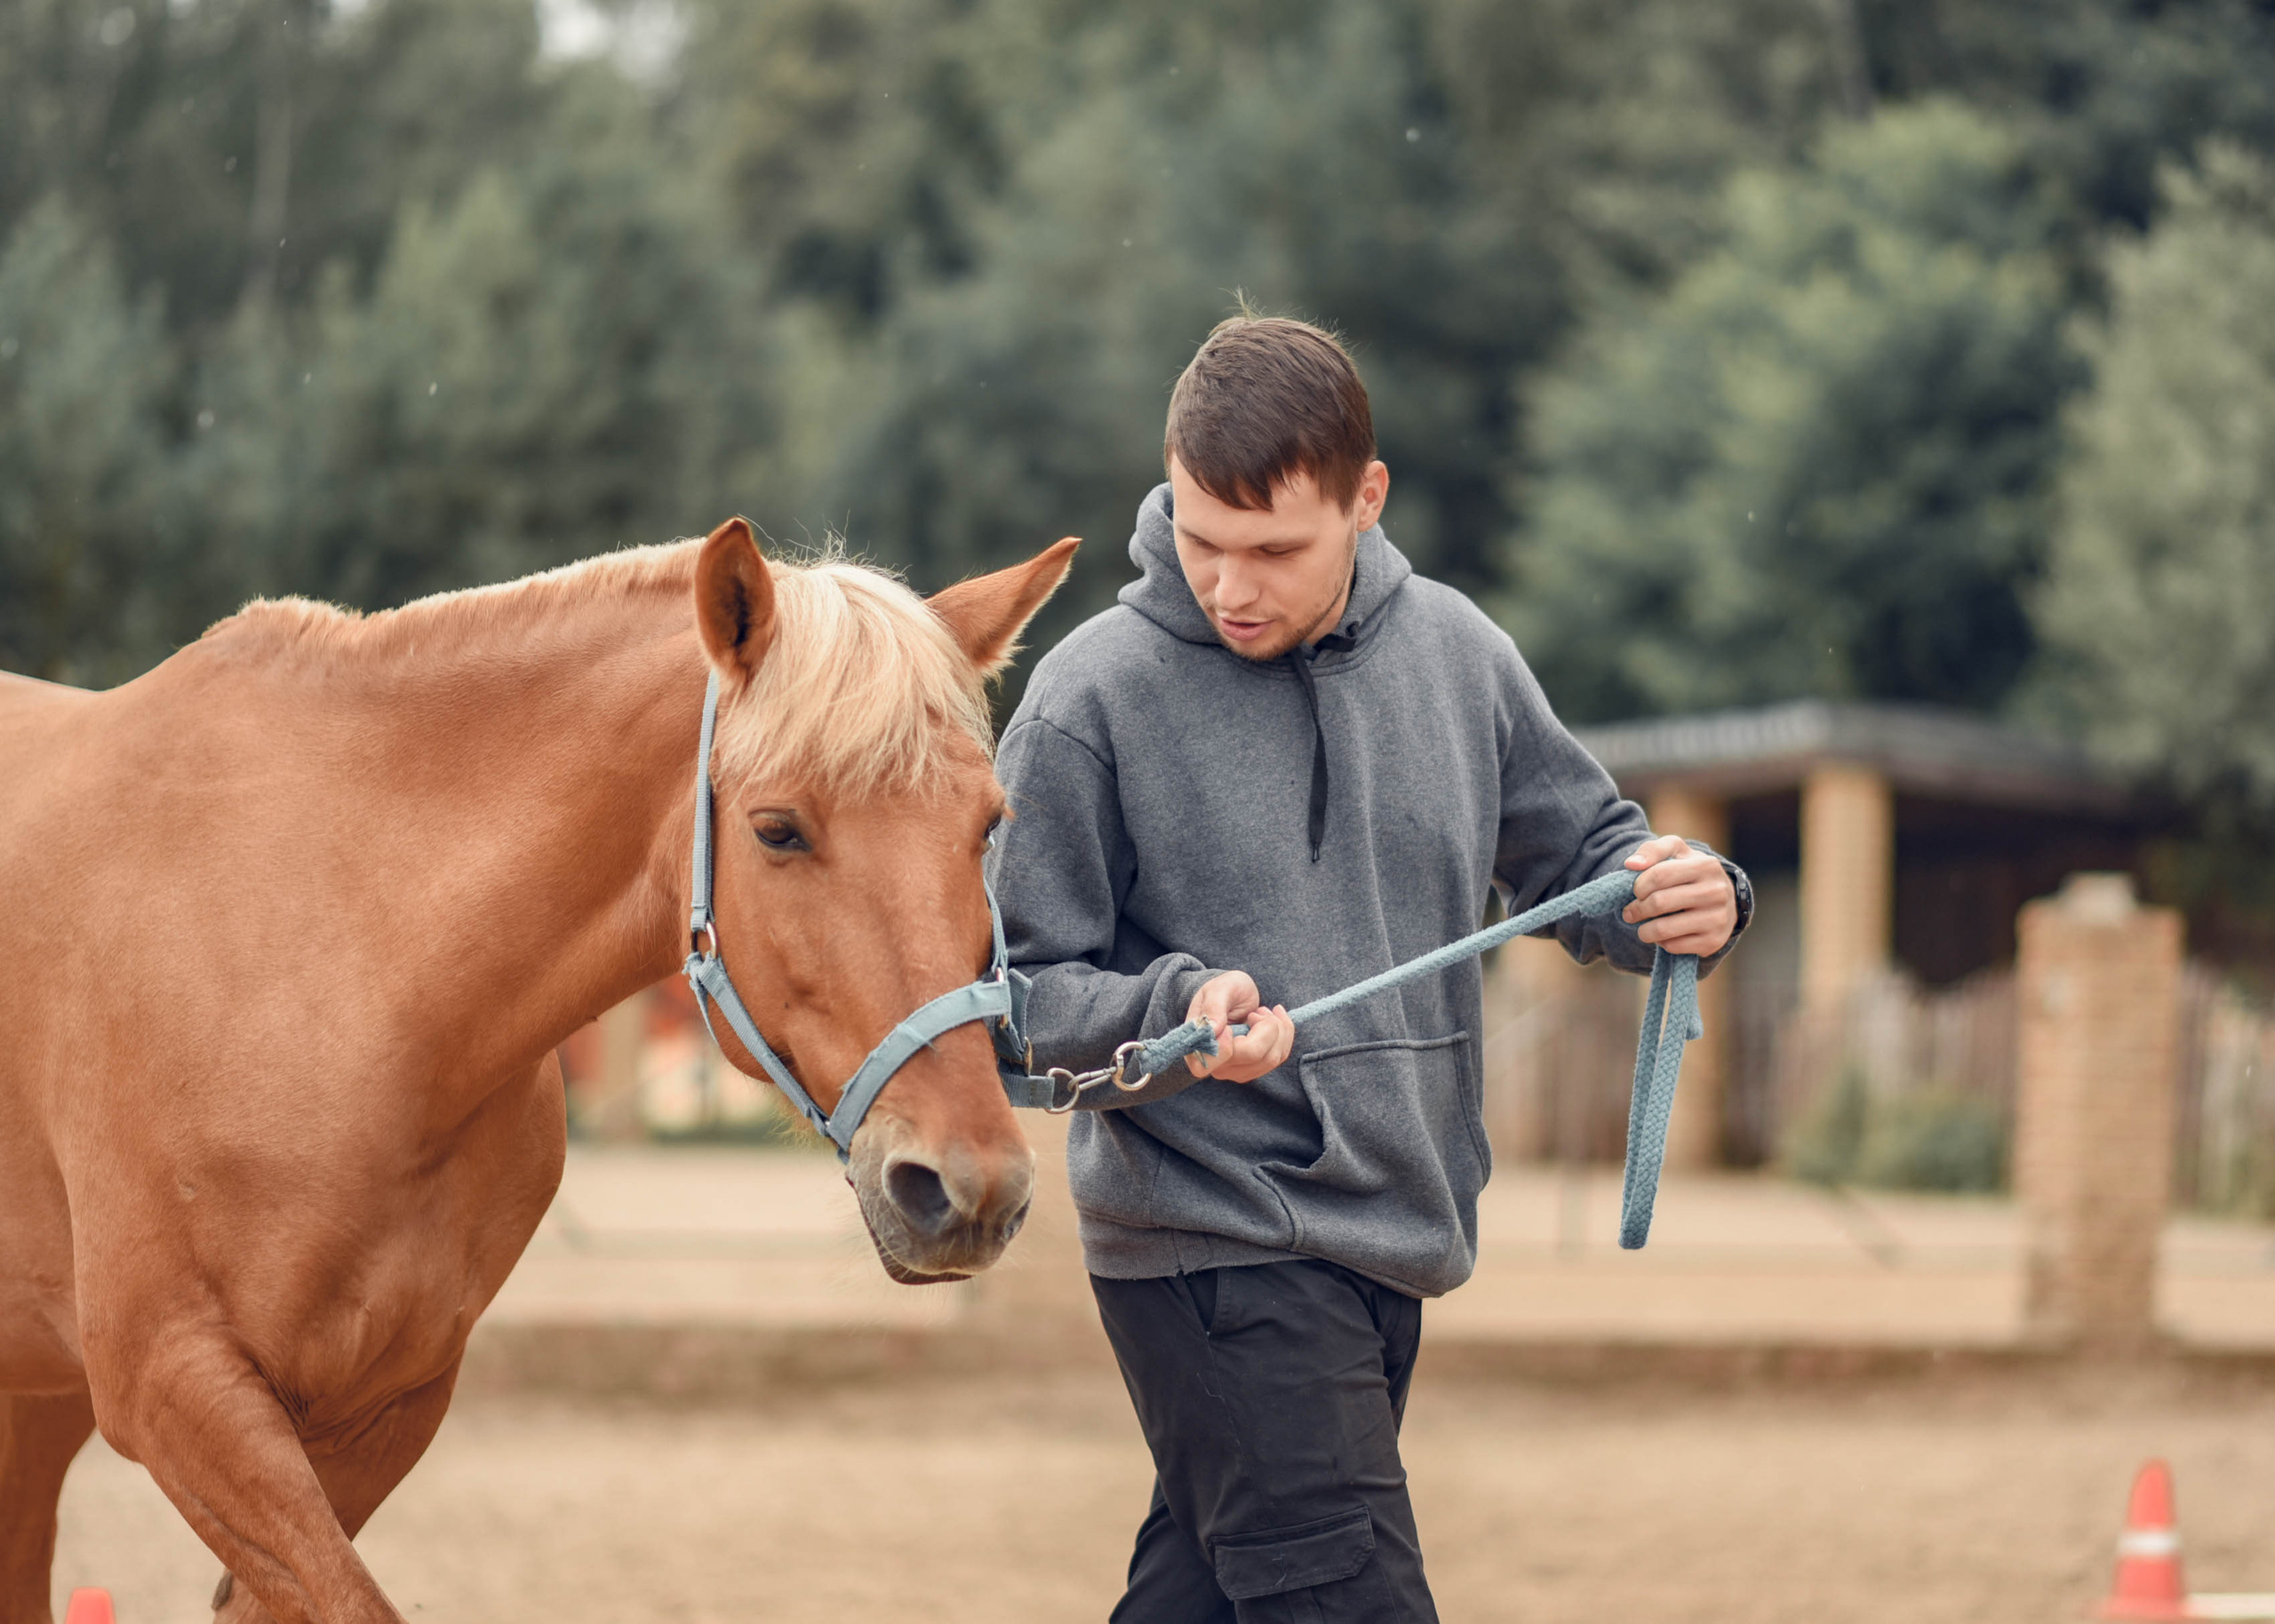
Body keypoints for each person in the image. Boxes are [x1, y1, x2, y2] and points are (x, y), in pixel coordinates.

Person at [988, 314, 1750, 1622]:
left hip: (1395, 1237)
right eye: (1200, 538)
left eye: (1275, 550)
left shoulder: (1460, 654)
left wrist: (1693, 900)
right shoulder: (1084, 700)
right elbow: (1009, 1002)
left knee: (1210, 1598)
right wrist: (1173, 1014)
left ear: (1366, 500)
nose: (1230, 586)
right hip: (1210, 1247)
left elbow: (1591, 857)